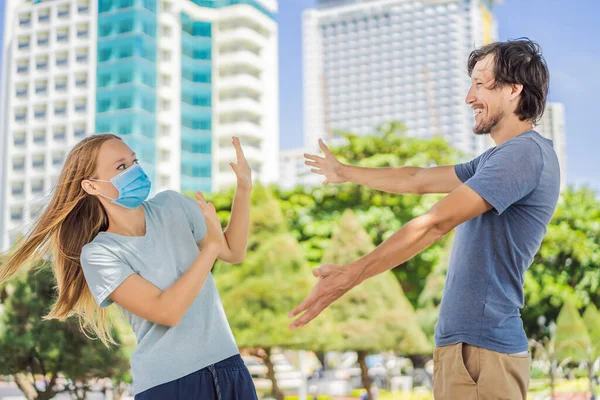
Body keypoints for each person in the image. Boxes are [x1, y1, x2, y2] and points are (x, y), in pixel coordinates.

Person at [289, 38, 559, 400]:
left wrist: (351, 275)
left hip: (482, 353)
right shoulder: (496, 158)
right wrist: (346, 172)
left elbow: (435, 222)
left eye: (480, 84)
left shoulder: (524, 154)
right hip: (465, 348)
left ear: (513, 89)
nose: (469, 97)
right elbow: (417, 179)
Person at [0, 133, 258, 399]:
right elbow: (167, 311)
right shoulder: (100, 253)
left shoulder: (173, 205)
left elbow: (234, 252)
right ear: (91, 186)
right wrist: (211, 248)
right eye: (121, 167)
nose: (134, 171)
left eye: (134, 162)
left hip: (230, 366)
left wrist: (244, 189)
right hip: (171, 383)